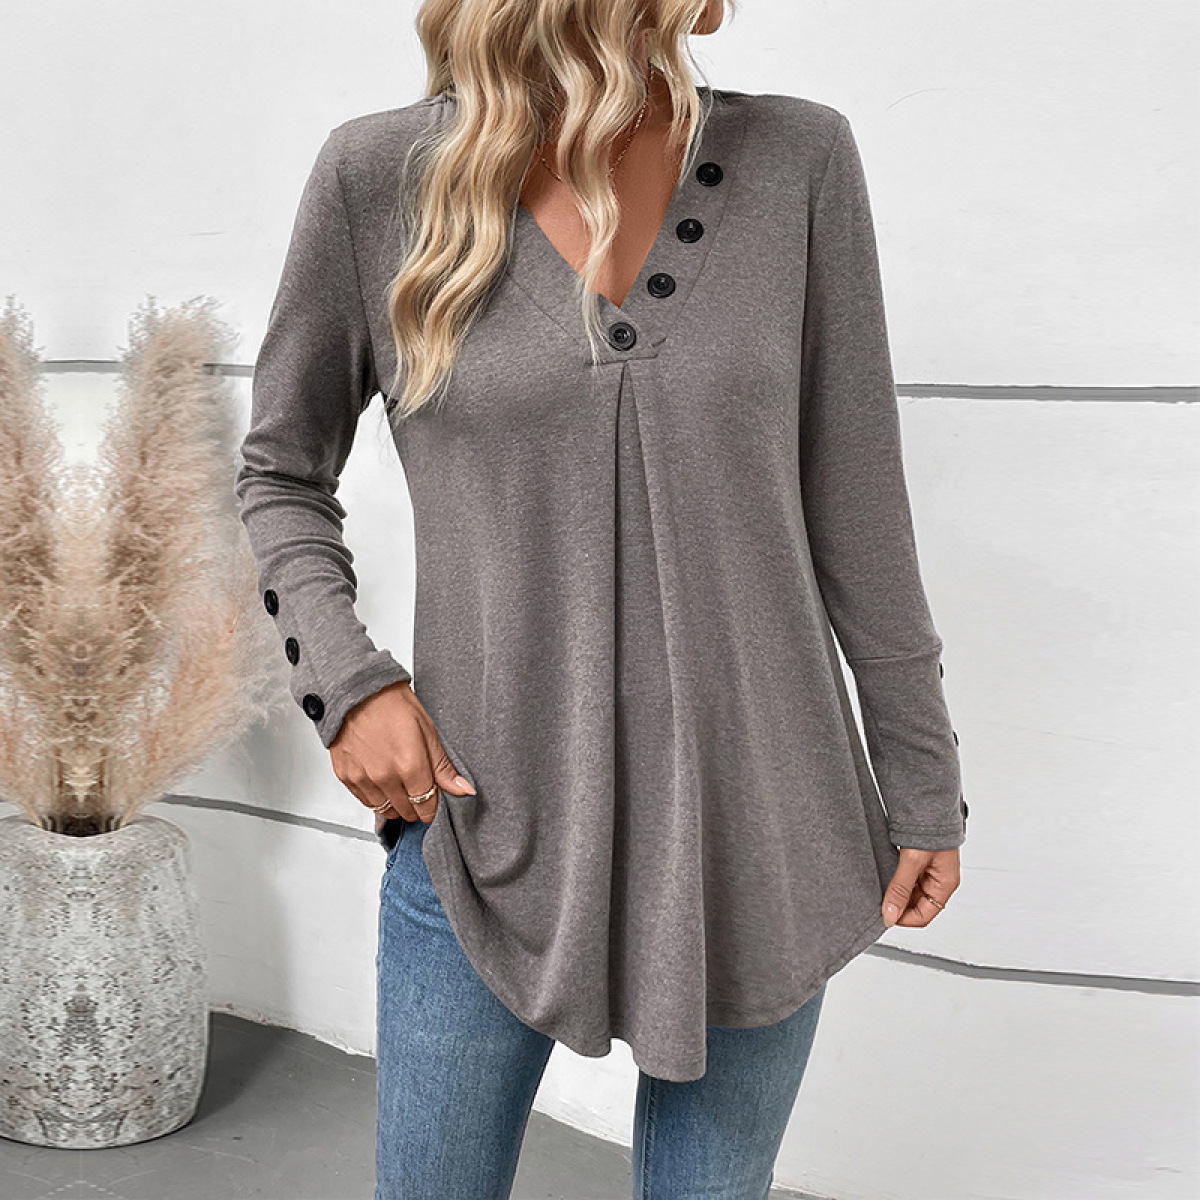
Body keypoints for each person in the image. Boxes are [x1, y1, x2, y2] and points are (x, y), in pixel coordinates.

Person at [234, 2, 968, 1196]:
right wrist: (349, 688)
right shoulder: (379, 179)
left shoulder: (801, 160)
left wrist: (924, 783)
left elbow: (861, 510)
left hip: (761, 831)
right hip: (485, 824)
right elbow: (279, 471)